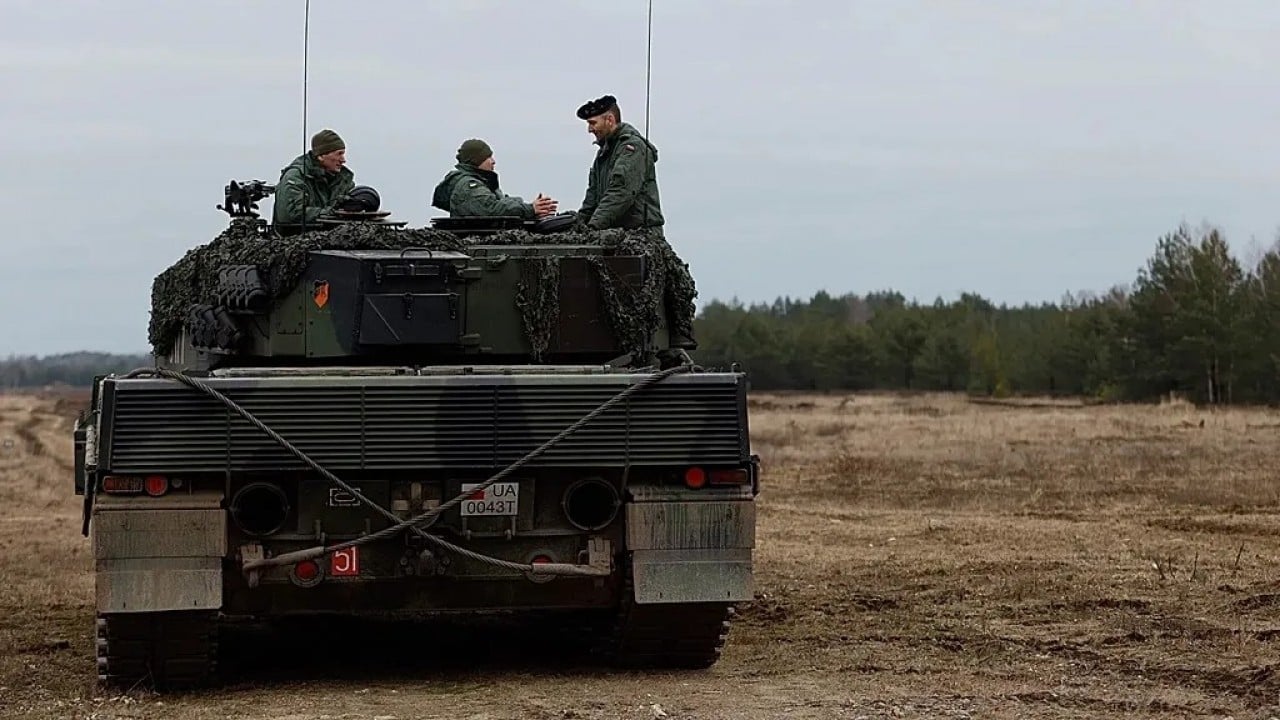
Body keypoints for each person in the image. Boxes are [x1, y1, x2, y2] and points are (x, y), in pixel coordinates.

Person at [575, 95, 697, 350]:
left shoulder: (631, 149)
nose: (589, 129)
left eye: (593, 122)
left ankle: (672, 339)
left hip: (640, 233)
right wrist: (579, 227)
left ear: (610, 119)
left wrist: (593, 227)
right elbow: (593, 199)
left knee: (659, 285)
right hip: (612, 234)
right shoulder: (603, 156)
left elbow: (621, 192)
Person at [432, 139, 557, 219]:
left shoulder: (479, 183)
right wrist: (530, 209)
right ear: (476, 160)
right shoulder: (469, 186)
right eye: (488, 157)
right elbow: (493, 210)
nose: (493, 162)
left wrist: (531, 208)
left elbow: (500, 202)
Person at [272, 129, 356, 228]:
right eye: (339, 154)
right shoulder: (296, 177)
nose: (343, 160)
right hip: (294, 239)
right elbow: (289, 215)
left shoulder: (343, 180)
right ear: (321, 156)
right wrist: (331, 214)